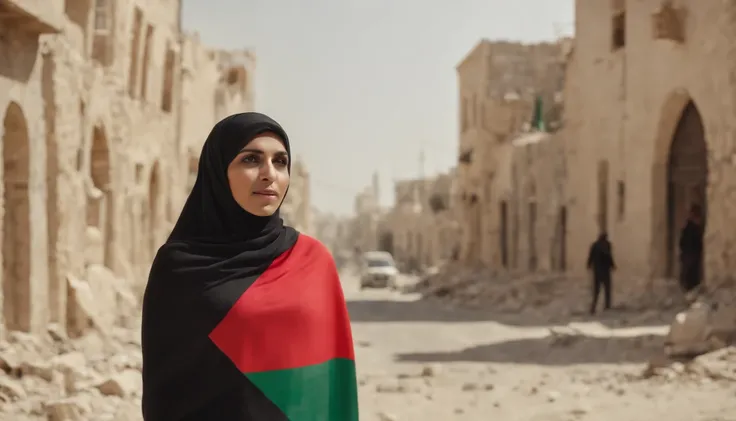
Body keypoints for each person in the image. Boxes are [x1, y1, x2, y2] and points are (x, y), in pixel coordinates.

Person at [141, 113, 359, 421]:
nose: (269, 173)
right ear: (218, 171)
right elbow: (163, 388)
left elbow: (333, 379)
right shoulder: (179, 266)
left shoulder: (312, 260)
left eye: (280, 162)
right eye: (251, 159)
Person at [586, 231, 616, 314]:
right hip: (605, 271)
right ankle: (607, 305)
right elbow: (609, 256)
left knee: (596, 290)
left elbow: (590, 256)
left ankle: (594, 307)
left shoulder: (595, 245)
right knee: (607, 289)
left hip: (597, 271)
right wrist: (613, 265)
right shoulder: (607, 245)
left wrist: (588, 265)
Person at [678, 204, 704, 292]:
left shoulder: (689, 227)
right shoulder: (692, 227)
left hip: (689, 255)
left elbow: (682, 242)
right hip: (691, 255)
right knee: (690, 275)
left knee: (689, 274)